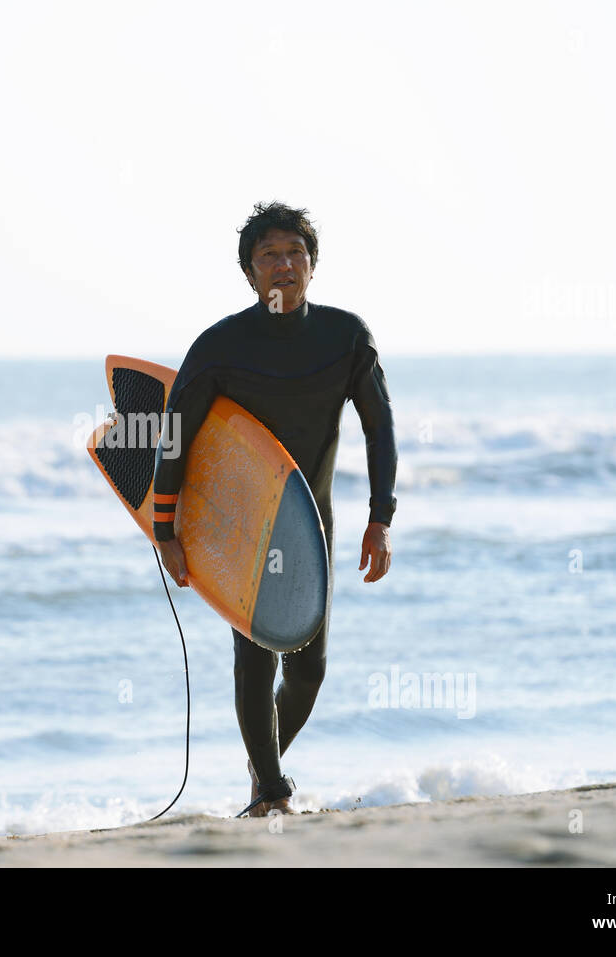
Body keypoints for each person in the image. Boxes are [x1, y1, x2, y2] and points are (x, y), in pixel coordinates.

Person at [151, 201, 397, 817]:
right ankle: (272, 791)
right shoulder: (220, 346)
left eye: (295, 253)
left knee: (309, 668)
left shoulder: (345, 338)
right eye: (269, 255)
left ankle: (264, 777)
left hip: (313, 525)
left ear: (312, 266)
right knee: (254, 655)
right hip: (240, 526)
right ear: (250, 272)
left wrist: (381, 517)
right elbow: (175, 438)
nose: (283, 265)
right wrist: (165, 529)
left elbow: (380, 426)